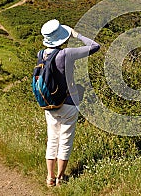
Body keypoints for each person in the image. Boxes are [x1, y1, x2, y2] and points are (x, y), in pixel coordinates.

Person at [38, 19, 100, 187]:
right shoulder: (66, 54)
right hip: (69, 103)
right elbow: (95, 46)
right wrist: (76, 34)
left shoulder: (41, 54)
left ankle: (49, 178)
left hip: (49, 104)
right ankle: (60, 178)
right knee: (65, 141)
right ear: (61, 38)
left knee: (52, 139)